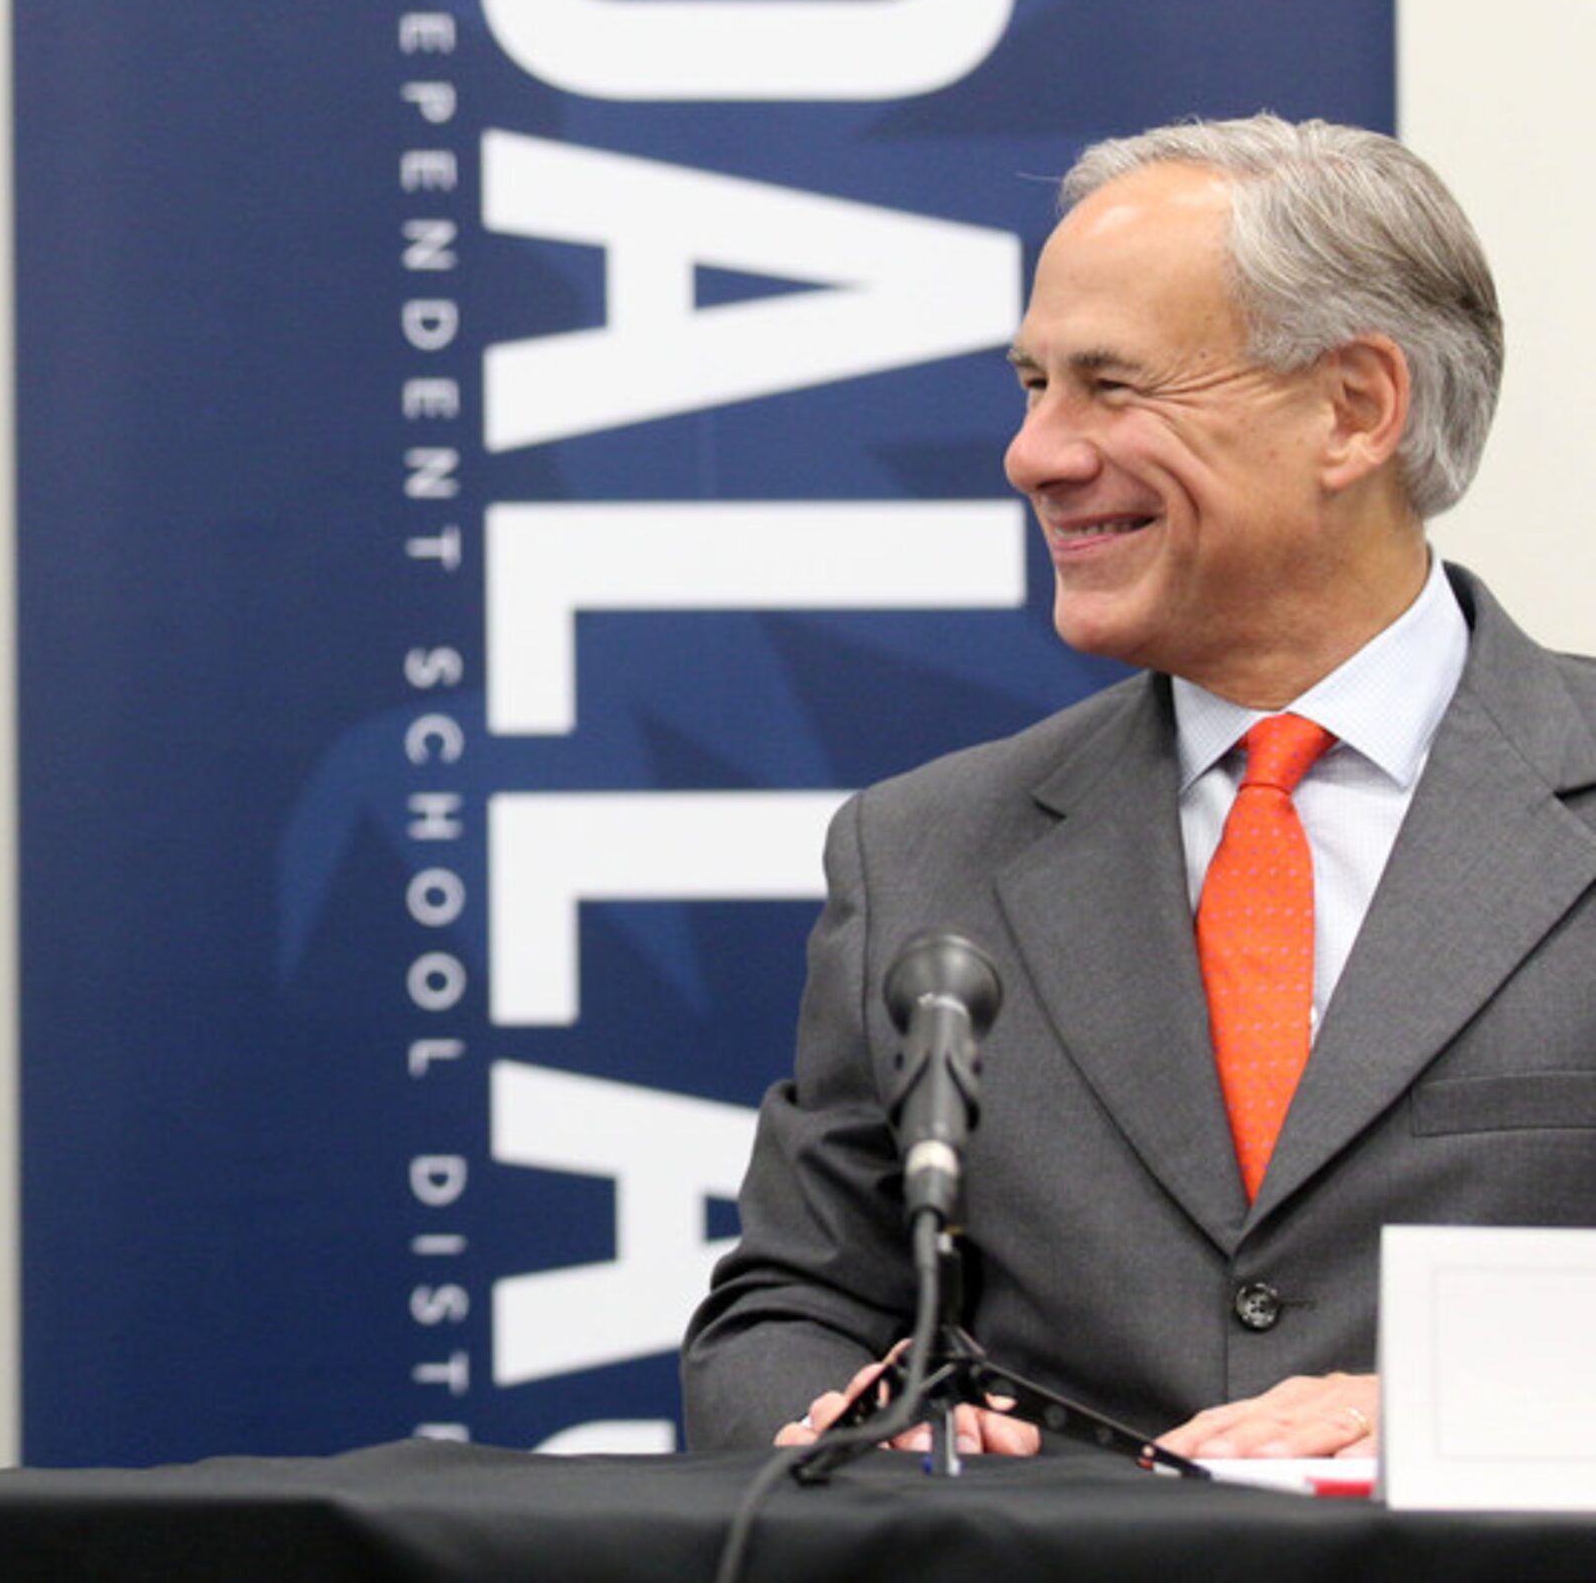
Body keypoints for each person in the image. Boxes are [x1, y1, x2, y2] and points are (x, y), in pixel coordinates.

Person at [682, 115, 1596, 1462]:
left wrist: (1482, 1407)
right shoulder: (923, 850)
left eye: (1110, 387)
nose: (1035, 453)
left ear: (1352, 409)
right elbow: (791, 1304)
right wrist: (854, 1426)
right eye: (1032, 383)